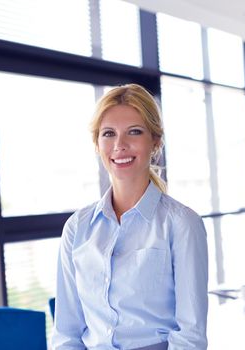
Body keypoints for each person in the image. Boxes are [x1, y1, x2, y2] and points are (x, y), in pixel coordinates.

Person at [51, 84, 208, 350]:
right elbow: (66, 333)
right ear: (97, 144)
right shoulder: (77, 228)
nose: (119, 145)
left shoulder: (182, 224)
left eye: (134, 132)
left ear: (155, 141)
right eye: (108, 134)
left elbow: (190, 336)